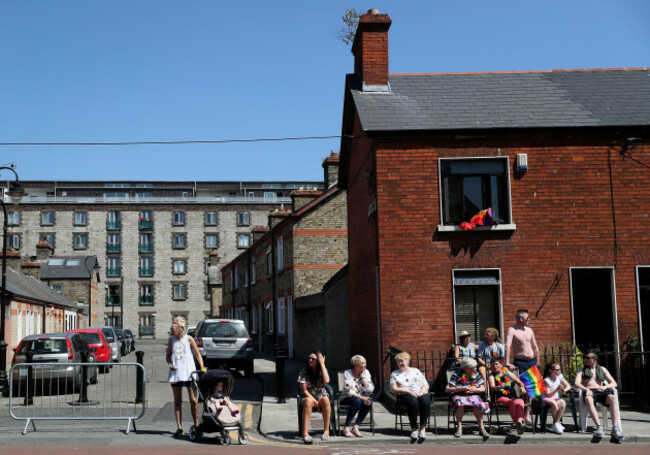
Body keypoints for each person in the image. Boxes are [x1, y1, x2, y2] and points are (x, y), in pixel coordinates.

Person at [166, 316, 205, 438]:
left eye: (173, 328)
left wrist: (202, 367)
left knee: (194, 401)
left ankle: (197, 426)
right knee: (177, 401)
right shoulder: (171, 340)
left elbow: (197, 353)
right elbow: (167, 356)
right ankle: (179, 427)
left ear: (180, 328)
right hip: (176, 373)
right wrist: (170, 363)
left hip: (189, 373)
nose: (171, 330)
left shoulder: (189, 339)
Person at [573, 350, 624, 440]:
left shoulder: (602, 369)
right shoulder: (581, 370)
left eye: (588, 358)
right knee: (588, 399)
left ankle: (615, 428)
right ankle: (599, 427)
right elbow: (576, 384)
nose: (586, 360)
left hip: (601, 391)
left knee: (613, 398)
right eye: (585, 358)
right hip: (590, 392)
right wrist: (586, 389)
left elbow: (614, 383)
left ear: (595, 359)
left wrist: (605, 387)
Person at [505, 309, 540, 423]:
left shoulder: (529, 330)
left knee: (531, 390)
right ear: (520, 319)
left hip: (531, 362)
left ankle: (527, 414)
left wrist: (537, 362)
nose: (528, 320)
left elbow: (535, 347)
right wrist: (507, 362)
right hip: (520, 362)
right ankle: (520, 414)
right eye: (527, 318)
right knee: (522, 388)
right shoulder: (512, 330)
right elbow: (507, 346)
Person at [390, 351, 431, 441]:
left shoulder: (416, 371)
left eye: (402, 361)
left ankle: (423, 428)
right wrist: (408, 391)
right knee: (413, 402)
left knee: (425, 401)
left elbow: (426, 385)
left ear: (408, 361)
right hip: (405, 394)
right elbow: (394, 389)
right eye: (398, 362)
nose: (400, 363)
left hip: (419, 392)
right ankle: (414, 428)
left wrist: (421, 392)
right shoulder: (394, 374)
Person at [446, 357, 491, 438]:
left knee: (476, 402)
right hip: (460, 395)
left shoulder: (476, 374)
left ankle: (481, 428)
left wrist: (474, 389)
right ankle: (459, 428)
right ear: (466, 368)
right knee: (460, 402)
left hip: (473, 395)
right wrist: (460, 388)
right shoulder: (457, 374)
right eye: (473, 367)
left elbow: (483, 388)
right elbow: (447, 389)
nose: (475, 368)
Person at [298, 350, 331, 444]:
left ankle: (326, 430)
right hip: (308, 397)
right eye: (309, 358)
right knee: (308, 401)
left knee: (325, 399)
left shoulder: (322, 370)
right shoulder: (304, 372)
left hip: (321, 396)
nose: (310, 360)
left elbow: (326, 381)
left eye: (313, 359)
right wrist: (315, 402)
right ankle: (305, 433)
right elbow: (304, 391)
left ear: (318, 361)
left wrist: (323, 365)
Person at [488, 357, 527, 434]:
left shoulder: (507, 372)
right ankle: (518, 425)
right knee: (511, 403)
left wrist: (522, 388)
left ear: (501, 365)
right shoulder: (491, 376)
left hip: (513, 396)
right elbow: (492, 387)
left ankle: (519, 421)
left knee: (520, 401)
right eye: (492, 365)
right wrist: (500, 387)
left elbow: (520, 383)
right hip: (500, 397)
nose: (495, 366)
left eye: (496, 364)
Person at [340, 355, 375, 437]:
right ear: (356, 365)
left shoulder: (366, 373)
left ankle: (356, 427)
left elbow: (371, 389)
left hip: (361, 398)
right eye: (363, 363)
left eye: (365, 363)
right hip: (346, 398)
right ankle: (346, 427)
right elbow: (349, 391)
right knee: (357, 401)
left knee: (369, 401)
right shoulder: (347, 373)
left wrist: (363, 378)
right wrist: (362, 397)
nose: (365, 365)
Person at [542, 362, 572, 434]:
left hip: (555, 397)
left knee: (562, 403)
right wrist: (556, 389)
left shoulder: (560, 376)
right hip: (547, 398)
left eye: (559, 369)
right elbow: (548, 395)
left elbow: (569, 386)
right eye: (557, 370)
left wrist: (564, 390)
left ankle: (556, 423)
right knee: (554, 403)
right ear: (551, 371)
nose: (559, 371)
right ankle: (556, 424)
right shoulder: (547, 380)